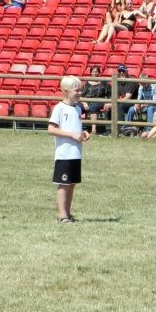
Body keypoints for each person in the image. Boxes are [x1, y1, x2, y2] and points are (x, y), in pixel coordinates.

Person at [48, 75, 90, 224]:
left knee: (71, 184)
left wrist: (83, 134)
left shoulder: (78, 108)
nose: (79, 93)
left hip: (76, 154)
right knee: (63, 184)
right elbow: (51, 129)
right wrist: (71, 135)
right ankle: (62, 216)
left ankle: (68, 213)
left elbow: (76, 128)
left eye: (80, 90)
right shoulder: (59, 108)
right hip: (64, 154)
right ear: (65, 91)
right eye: (76, 90)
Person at [79, 66, 110, 135]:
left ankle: (93, 130)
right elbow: (80, 96)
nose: (95, 73)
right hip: (85, 101)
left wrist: (108, 102)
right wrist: (84, 103)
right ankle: (76, 128)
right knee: (77, 107)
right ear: (90, 73)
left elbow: (110, 95)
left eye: (96, 71)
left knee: (93, 106)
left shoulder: (104, 83)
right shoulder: (86, 83)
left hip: (99, 100)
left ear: (99, 72)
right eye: (93, 71)